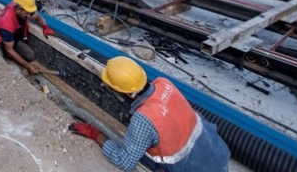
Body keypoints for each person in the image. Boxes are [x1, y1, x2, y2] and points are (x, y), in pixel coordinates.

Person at [69, 56, 230, 172]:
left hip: (189, 167)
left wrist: (95, 134)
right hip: (217, 155)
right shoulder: (163, 84)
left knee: (137, 154)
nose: (107, 88)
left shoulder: (143, 119)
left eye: (110, 87)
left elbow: (125, 162)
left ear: (124, 92)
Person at [0, 0, 55, 75]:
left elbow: (38, 17)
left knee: (30, 56)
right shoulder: (7, 22)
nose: (29, 16)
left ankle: (7, 52)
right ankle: (2, 54)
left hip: (9, 38)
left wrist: (44, 27)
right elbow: (9, 50)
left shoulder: (24, 9)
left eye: (30, 13)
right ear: (18, 10)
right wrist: (28, 67)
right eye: (26, 13)